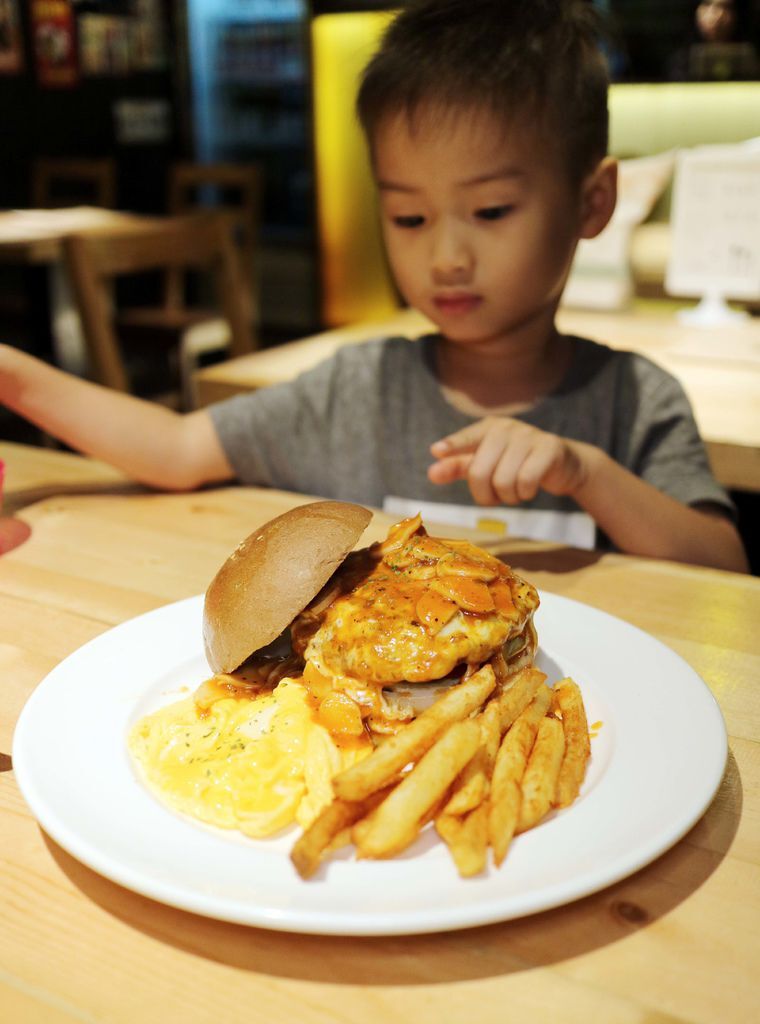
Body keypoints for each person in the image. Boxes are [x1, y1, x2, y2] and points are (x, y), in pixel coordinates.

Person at [0, 0, 747, 572]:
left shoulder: (634, 400)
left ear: (592, 203)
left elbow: (722, 571)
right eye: (410, 216)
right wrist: (14, 374)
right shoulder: (357, 390)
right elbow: (175, 447)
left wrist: (584, 471)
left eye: (489, 211)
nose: (447, 256)